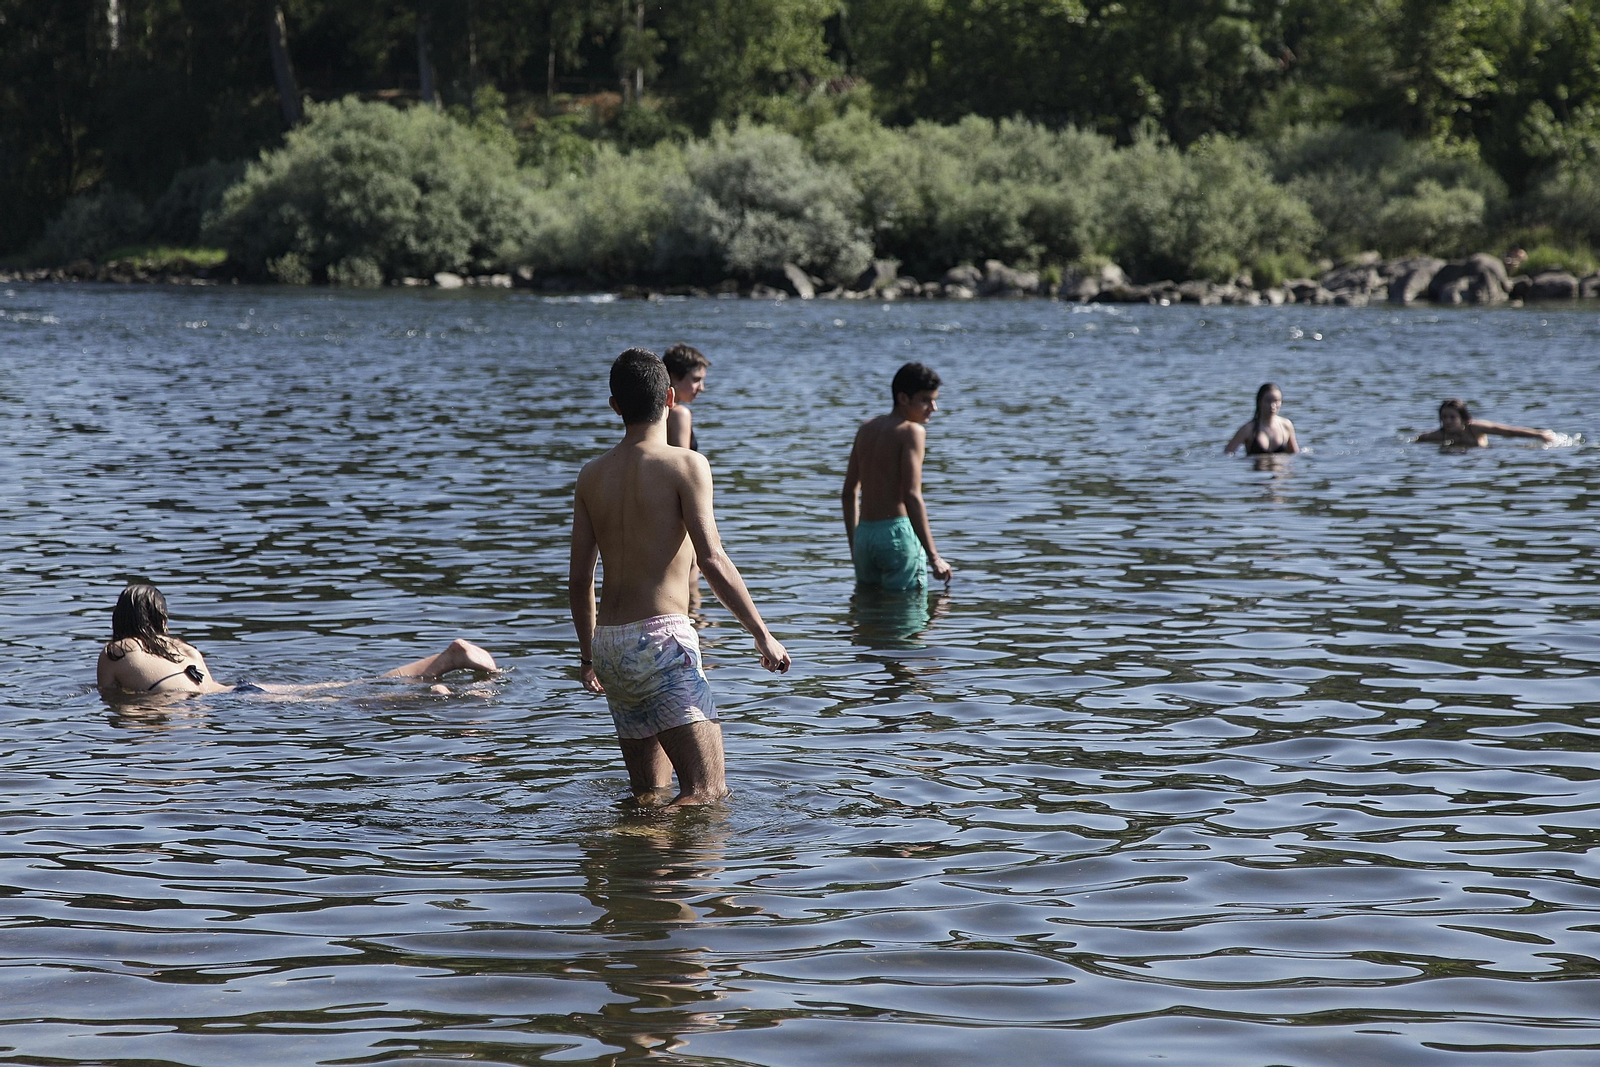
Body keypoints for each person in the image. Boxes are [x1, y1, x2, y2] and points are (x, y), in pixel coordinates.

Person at [569, 348, 791, 808]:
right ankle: (646, 860)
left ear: (614, 406)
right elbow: (712, 560)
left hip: (609, 644)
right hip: (662, 640)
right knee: (708, 793)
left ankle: (621, 863)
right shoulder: (687, 465)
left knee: (649, 794)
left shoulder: (590, 476)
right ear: (670, 397)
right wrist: (762, 634)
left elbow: (579, 579)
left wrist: (589, 657)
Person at [96, 583, 498, 696]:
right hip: (237, 690)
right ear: (161, 619)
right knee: (349, 687)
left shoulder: (113, 653)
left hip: (221, 704)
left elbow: (116, 703)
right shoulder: (181, 646)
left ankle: (431, 691)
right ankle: (441, 664)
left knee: (354, 697)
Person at [841, 362, 953, 590]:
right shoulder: (912, 432)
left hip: (864, 536)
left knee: (868, 614)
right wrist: (934, 557)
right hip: (896, 537)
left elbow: (848, 493)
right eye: (925, 400)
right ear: (903, 398)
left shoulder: (866, 429)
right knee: (910, 618)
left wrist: (856, 544)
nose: (933, 407)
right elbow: (911, 495)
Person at [1415, 398, 1557, 447]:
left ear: (1463, 419)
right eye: (1444, 417)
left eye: (1452, 417)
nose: (1447, 421)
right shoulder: (1438, 435)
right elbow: (1420, 438)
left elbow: (1508, 431)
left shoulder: (1475, 428)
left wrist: (1539, 434)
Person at [1225, 382, 1300, 455]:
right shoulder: (1248, 429)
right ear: (1259, 402)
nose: (1273, 406)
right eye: (1268, 401)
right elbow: (1227, 453)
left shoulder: (1286, 425)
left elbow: (1295, 454)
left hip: (1281, 467)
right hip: (1258, 467)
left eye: (1276, 401)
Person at [663, 343, 710, 452]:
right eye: (696, 379)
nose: (702, 388)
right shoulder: (679, 413)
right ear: (674, 376)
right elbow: (682, 465)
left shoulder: (653, 411)